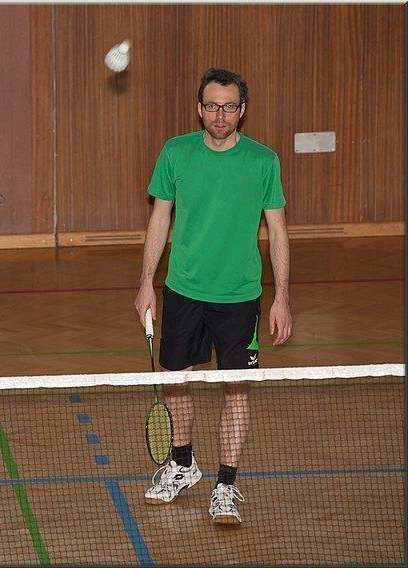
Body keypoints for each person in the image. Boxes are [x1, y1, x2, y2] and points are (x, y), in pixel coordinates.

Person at [134, 68, 292, 524]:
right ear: (198, 108)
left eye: (229, 107)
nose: (219, 115)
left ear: (242, 110)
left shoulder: (263, 161)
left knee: (236, 391)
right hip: (184, 290)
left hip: (240, 297)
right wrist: (146, 282)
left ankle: (225, 485)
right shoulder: (176, 152)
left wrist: (281, 296)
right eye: (211, 106)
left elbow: (278, 231)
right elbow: (159, 219)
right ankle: (183, 465)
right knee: (174, 381)